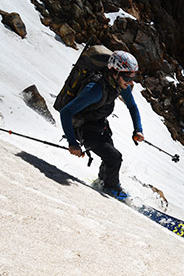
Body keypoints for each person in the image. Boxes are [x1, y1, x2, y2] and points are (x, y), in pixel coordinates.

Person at [60, 50, 144, 200]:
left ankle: (103, 183)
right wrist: (72, 143)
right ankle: (111, 188)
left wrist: (138, 129)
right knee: (114, 157)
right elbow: (66, 112)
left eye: (133, 77)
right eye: (127, 77)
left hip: (100, 125)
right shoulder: (95, 89)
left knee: (110, 157)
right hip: (85, 129)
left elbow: (132, 106)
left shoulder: (119, 85)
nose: (131, 82)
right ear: (114, 72)